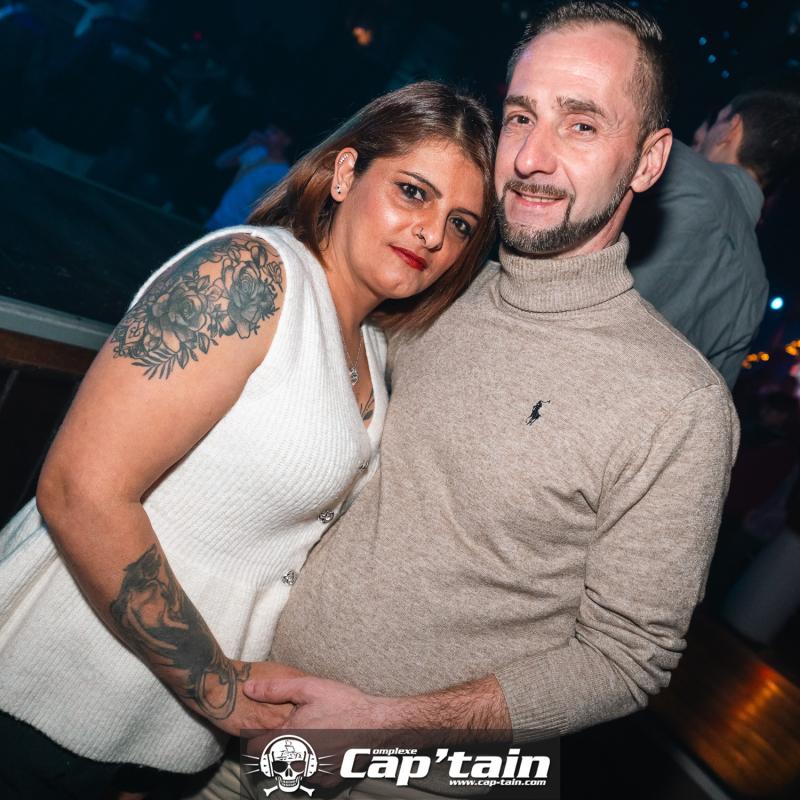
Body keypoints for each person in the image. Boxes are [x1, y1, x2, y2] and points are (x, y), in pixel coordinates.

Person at [202, 3, 739, 798]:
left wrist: (375, 727)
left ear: (648, 159)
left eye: (581, 125)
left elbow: (627, 658)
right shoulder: (429, 288)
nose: (531, 158)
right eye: (521, 116)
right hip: (239, 726)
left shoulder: (678, 404)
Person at [0, 81, 496, 799]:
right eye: (413, 192)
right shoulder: (249, 274)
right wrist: (218, 687)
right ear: (346, 173)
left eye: (460, 224)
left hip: (161, 727)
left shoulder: (370, 348)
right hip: (56, 687)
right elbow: (80, 490)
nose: (430, 234)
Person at [625, 90, 800, 389]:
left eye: (716, 121)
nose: (699, 134)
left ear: (731, 129)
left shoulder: (671, 165)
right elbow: (713, 397)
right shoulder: (756, 291)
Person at [205, 126, 293, 230]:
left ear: (286, 141)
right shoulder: (257, 152)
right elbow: (220, 163)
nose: (268, 133)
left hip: (237, 227)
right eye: (268, 130)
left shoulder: (282, 173)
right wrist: (245, 144)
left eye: (275, 132)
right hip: (219, 217)